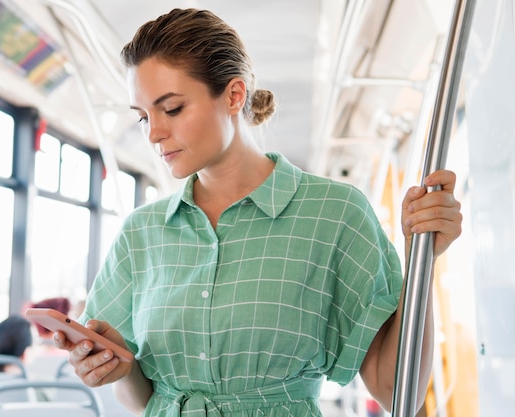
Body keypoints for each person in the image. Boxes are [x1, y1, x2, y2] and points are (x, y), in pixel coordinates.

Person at [53, 8, 463, 416]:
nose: (154, 133)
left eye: (172, 109)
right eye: (143, 116)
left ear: (233, 95)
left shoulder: (334, 214)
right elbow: (140, 400)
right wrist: (115, 368)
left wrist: (421, 259)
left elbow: (395, 390)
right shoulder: (140, 233)